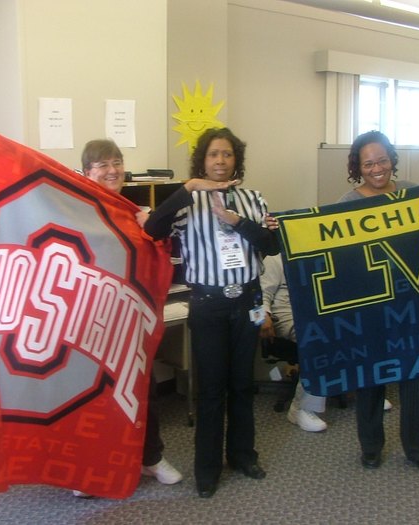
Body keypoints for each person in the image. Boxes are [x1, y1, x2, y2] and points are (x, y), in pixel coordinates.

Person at [144, 127, 280, 498]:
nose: (220, 161)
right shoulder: (188, 201)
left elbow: (271, 245)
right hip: (209, 303)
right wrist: (187, 188)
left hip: (247, 301)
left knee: (241, 383)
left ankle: (242, 455)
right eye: (213, 155)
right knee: (210, 389)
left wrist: (239, 222)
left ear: (237, 159)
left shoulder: (253, 198)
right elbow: (153, 229)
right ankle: (207, 469)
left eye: (228, 154)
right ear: (202, 160)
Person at [73, 139, 183, 497]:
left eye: (117, 162)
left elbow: (162, 255)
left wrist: (153, 226)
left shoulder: (134, 212)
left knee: (141, 391)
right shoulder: (75, 211)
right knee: (91, 398)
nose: (112, 170)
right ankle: (88, 471)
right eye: (102, 164)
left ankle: (150, 458)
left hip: (131, 321)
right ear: (86, 172)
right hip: (89, 322)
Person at [337, 130, 419, 475]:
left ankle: (418, 448)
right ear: (358, 167)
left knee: (417, 375)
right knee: (370, 376)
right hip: (370, 305)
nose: (376, 168)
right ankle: (370, 446)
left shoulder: (412, 192)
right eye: (368, 163)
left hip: (412, 302)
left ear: (392, 160)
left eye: (382, 160)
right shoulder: (347, 203)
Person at [259, 253, 393, 432]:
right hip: (288, 313)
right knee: (320, 337)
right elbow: (263, 293)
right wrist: (264, 316)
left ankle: (367, 394)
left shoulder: (325, 255)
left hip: (322, 313)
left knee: (361, 329)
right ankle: (301, 408)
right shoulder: (275, 259)